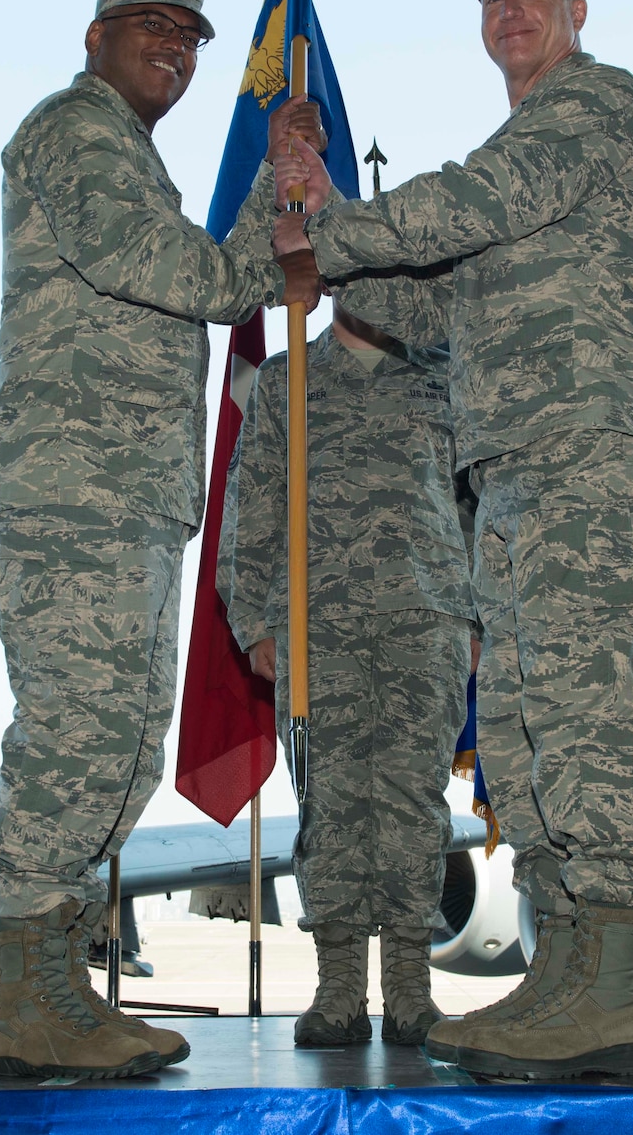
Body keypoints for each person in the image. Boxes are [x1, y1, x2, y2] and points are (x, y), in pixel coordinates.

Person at [272, 0, 633, 1079]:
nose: (510, 12)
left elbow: (465, 206)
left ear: (576, 12)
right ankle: (559, 975)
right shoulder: (516, 155)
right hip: (505, 460)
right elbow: (431, 315)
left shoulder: (594, 109)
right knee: (521, 714)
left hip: (586, 440)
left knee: (584, 701)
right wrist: (317, 209)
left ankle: (603, 979)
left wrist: (331, 229)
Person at [0, 0, 322, 1079]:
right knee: (78, 725)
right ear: (95, 36)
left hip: (121, 489)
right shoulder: (74, 134)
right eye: (149, 28)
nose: (171, 46)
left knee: (118, 738)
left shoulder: (130, 154)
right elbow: (176, 273)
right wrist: (280, 212)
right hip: (73, 482)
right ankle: (26, 991)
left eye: (189, 35)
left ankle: (53, 983)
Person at [218, 307, 476, 1048]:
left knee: (412, 805)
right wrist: (255, 623)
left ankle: (408, 989)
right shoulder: (284, 381)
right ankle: (338, 989)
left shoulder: (445, 374)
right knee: (328, 802)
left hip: (424, 619)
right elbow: (254, 502)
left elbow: (475, 504)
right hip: (314, 623)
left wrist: (477, 619)